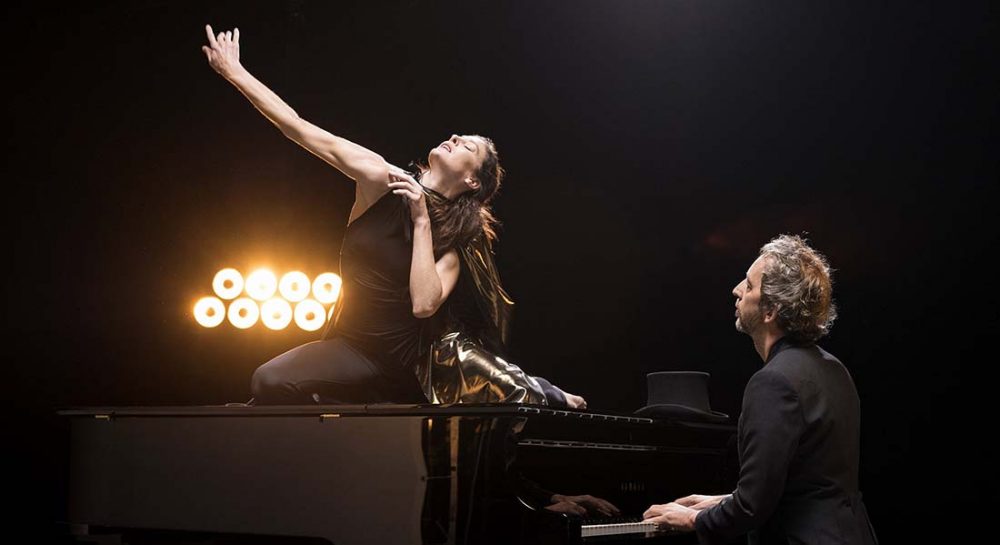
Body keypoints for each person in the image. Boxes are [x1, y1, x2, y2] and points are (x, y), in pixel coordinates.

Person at [200, 25, 584, 408]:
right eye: (458, 135)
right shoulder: (380, 178)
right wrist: (235, 72)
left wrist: (420, 220)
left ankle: (548, 390)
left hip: (415, 365)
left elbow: (423, 304)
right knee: (266, 381)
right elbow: (298, 128)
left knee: (515, 390)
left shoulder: (460, 236)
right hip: (354, 348)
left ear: (471, 179)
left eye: (467, 144)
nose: (453, 137)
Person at [642, 235, 877, 545]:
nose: (737, 290)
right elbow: (806, 486)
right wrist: (719, 501)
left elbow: (752, 507)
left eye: (750, 286)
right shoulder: (834, 369)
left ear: (770, 311)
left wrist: (694, 517)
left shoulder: (773, 381)